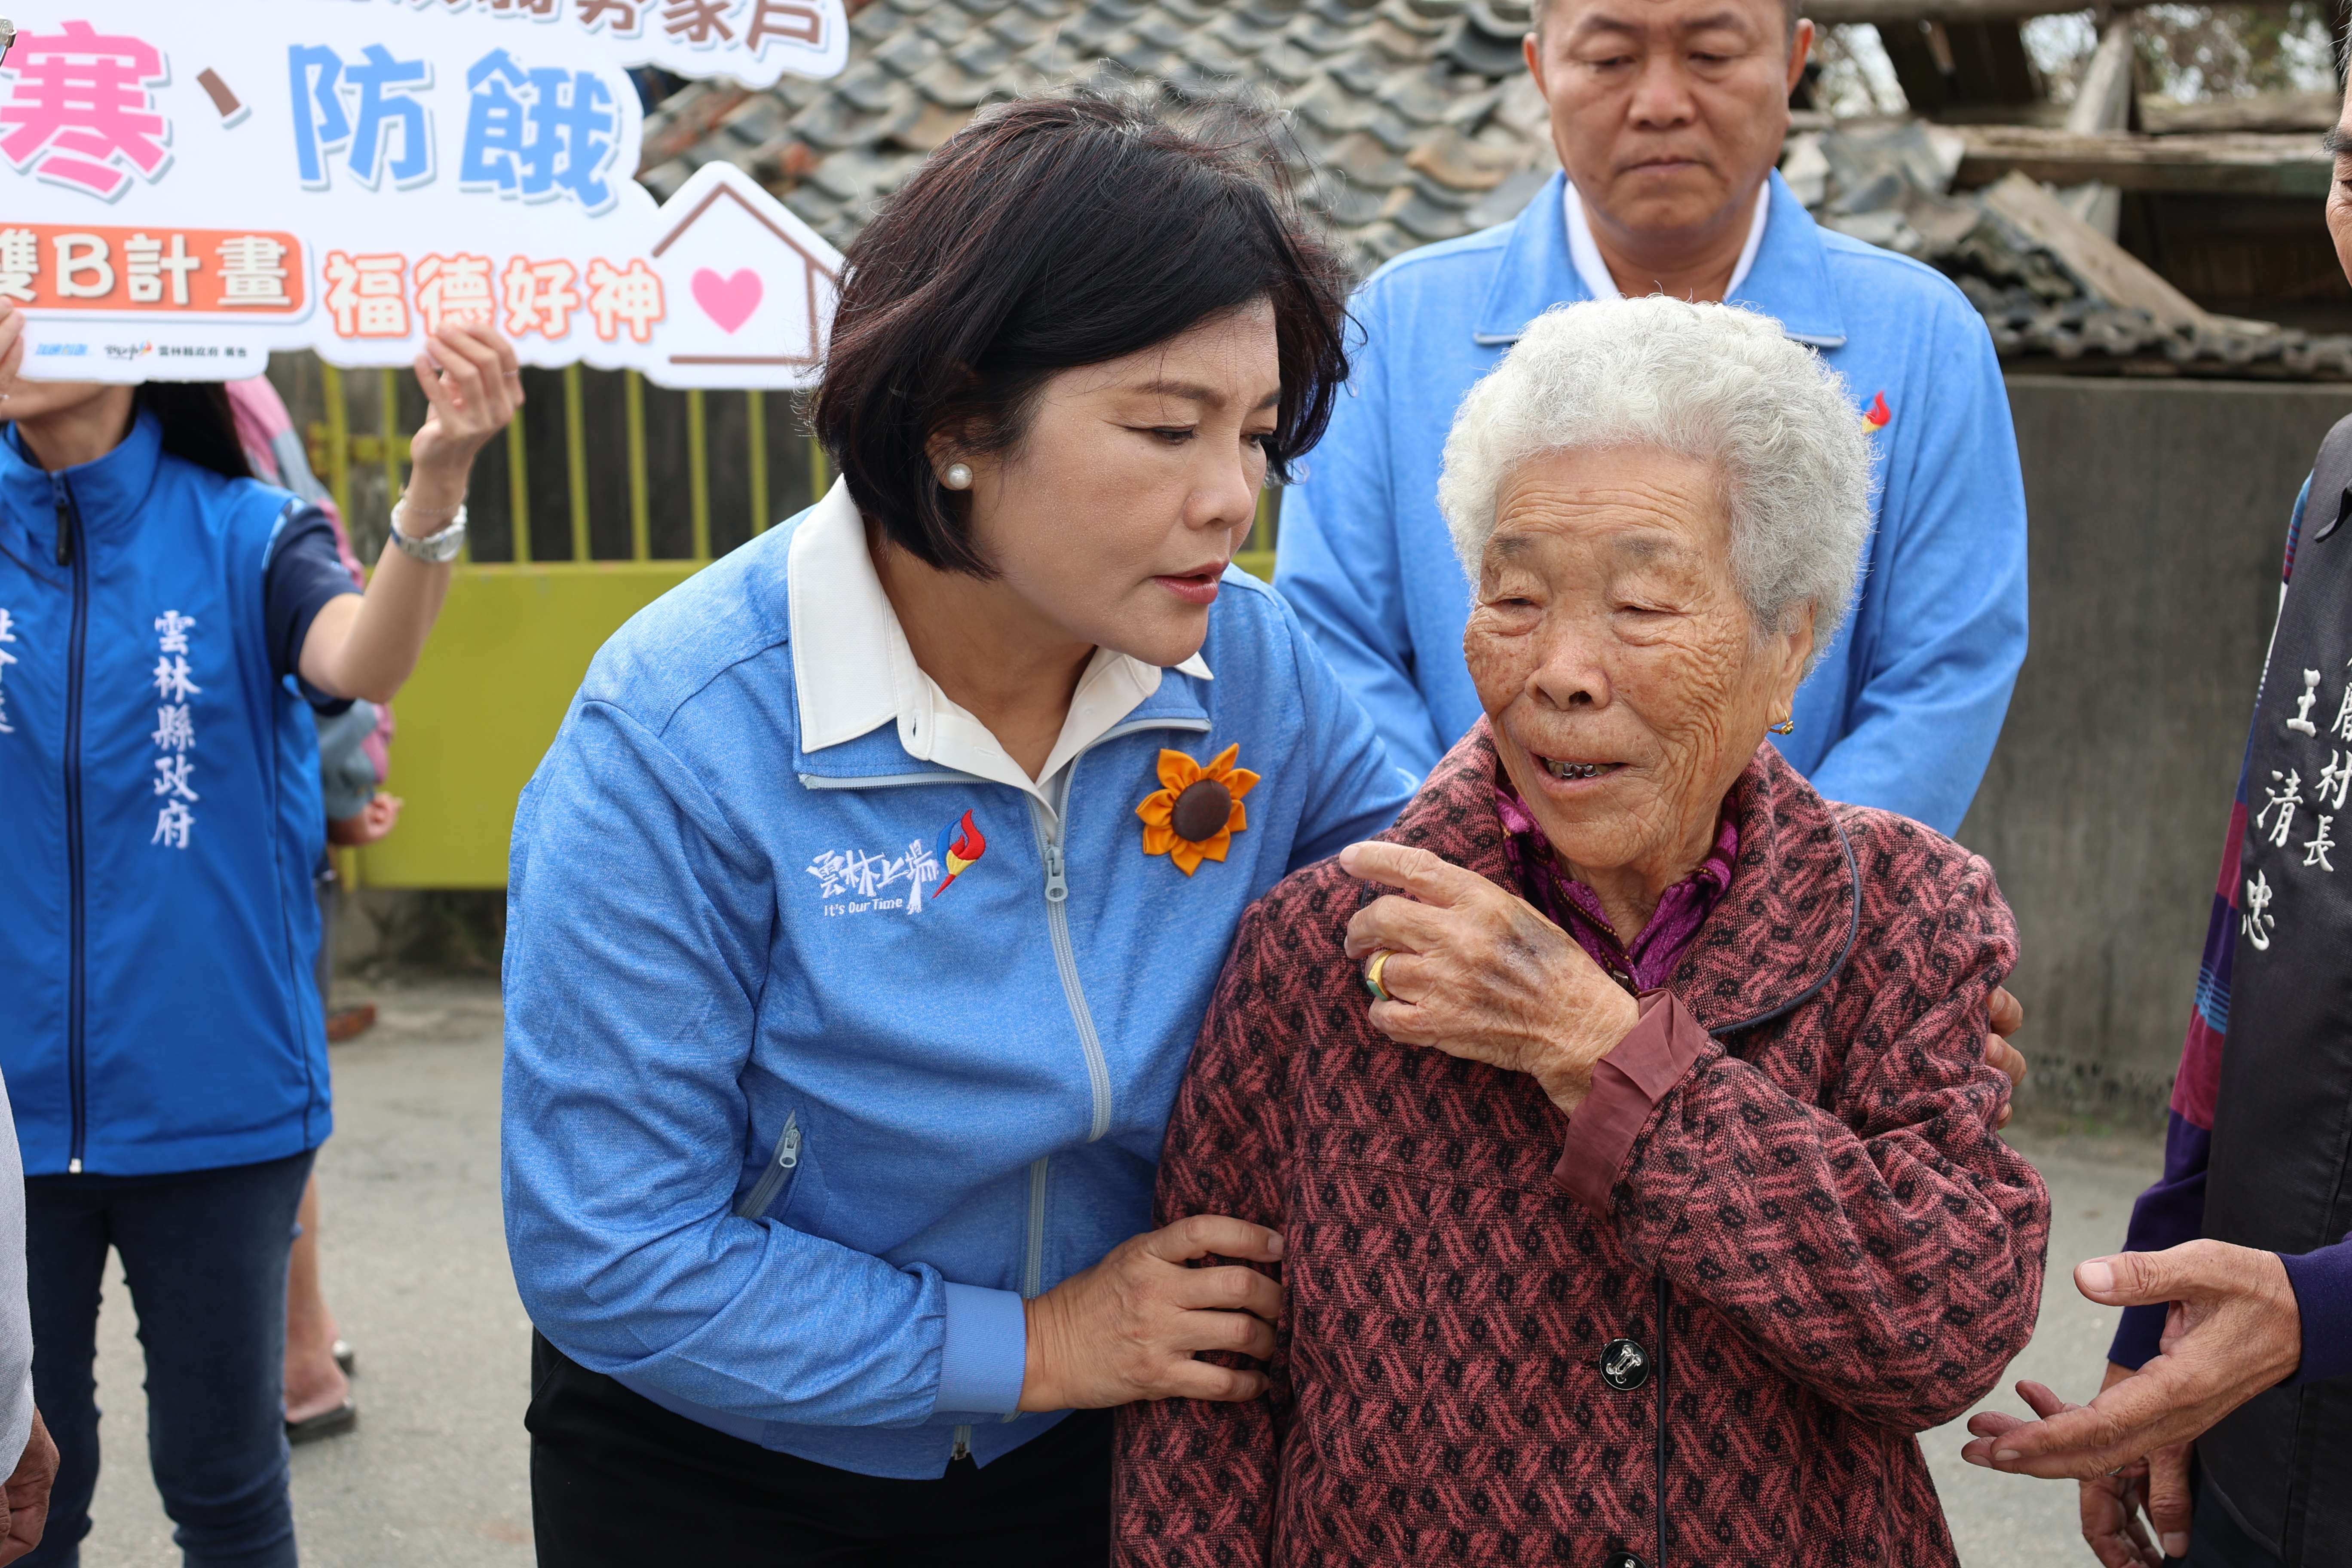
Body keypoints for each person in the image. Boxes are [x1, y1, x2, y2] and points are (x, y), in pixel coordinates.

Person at [500, 89, 1412, 1566]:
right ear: (955, 421)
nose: (1230, 495)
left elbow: (1434, 902)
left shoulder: (1250, 669)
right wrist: (1040, 1342)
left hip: (1102, 1442)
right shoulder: (685, 734)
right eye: (1166, 426)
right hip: (729, 1457)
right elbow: (615, 1249)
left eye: (1254, 433)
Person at [1116, 298, 2051, 1567]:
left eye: (1644, 608)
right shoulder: (1319, 947)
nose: (1561, 668)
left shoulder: (1906, 913)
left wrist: (1603, 1048)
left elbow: (1942, 1328)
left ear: (1791, 650)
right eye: (1515, 596)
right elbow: (1204, 1400)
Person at [0, 297, 519, 1567]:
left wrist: (439, 471)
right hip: (4, 1120)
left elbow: (365, 658)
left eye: (40, 294)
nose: (6, 323)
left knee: (226, 1491)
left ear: (139, 336)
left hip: (215, 1103)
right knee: (21, 1504)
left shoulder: (249, 533)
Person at [1273, 0, 2029, 838]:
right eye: (1609, 60)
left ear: (1792, 62)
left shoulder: (1924, 336)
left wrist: (1791, 913)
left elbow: (1945, 671)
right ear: (1539, 71)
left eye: (1709, 53)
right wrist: (1465, 883)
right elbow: (1334, 641)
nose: (1661, 101)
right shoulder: (1399, 325)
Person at [1956, 107, 2352, 1568]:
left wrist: (2312, 1306)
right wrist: (2154, 1318)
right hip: (2254, 1424)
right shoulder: (2332, 494)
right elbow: (2242, 941)